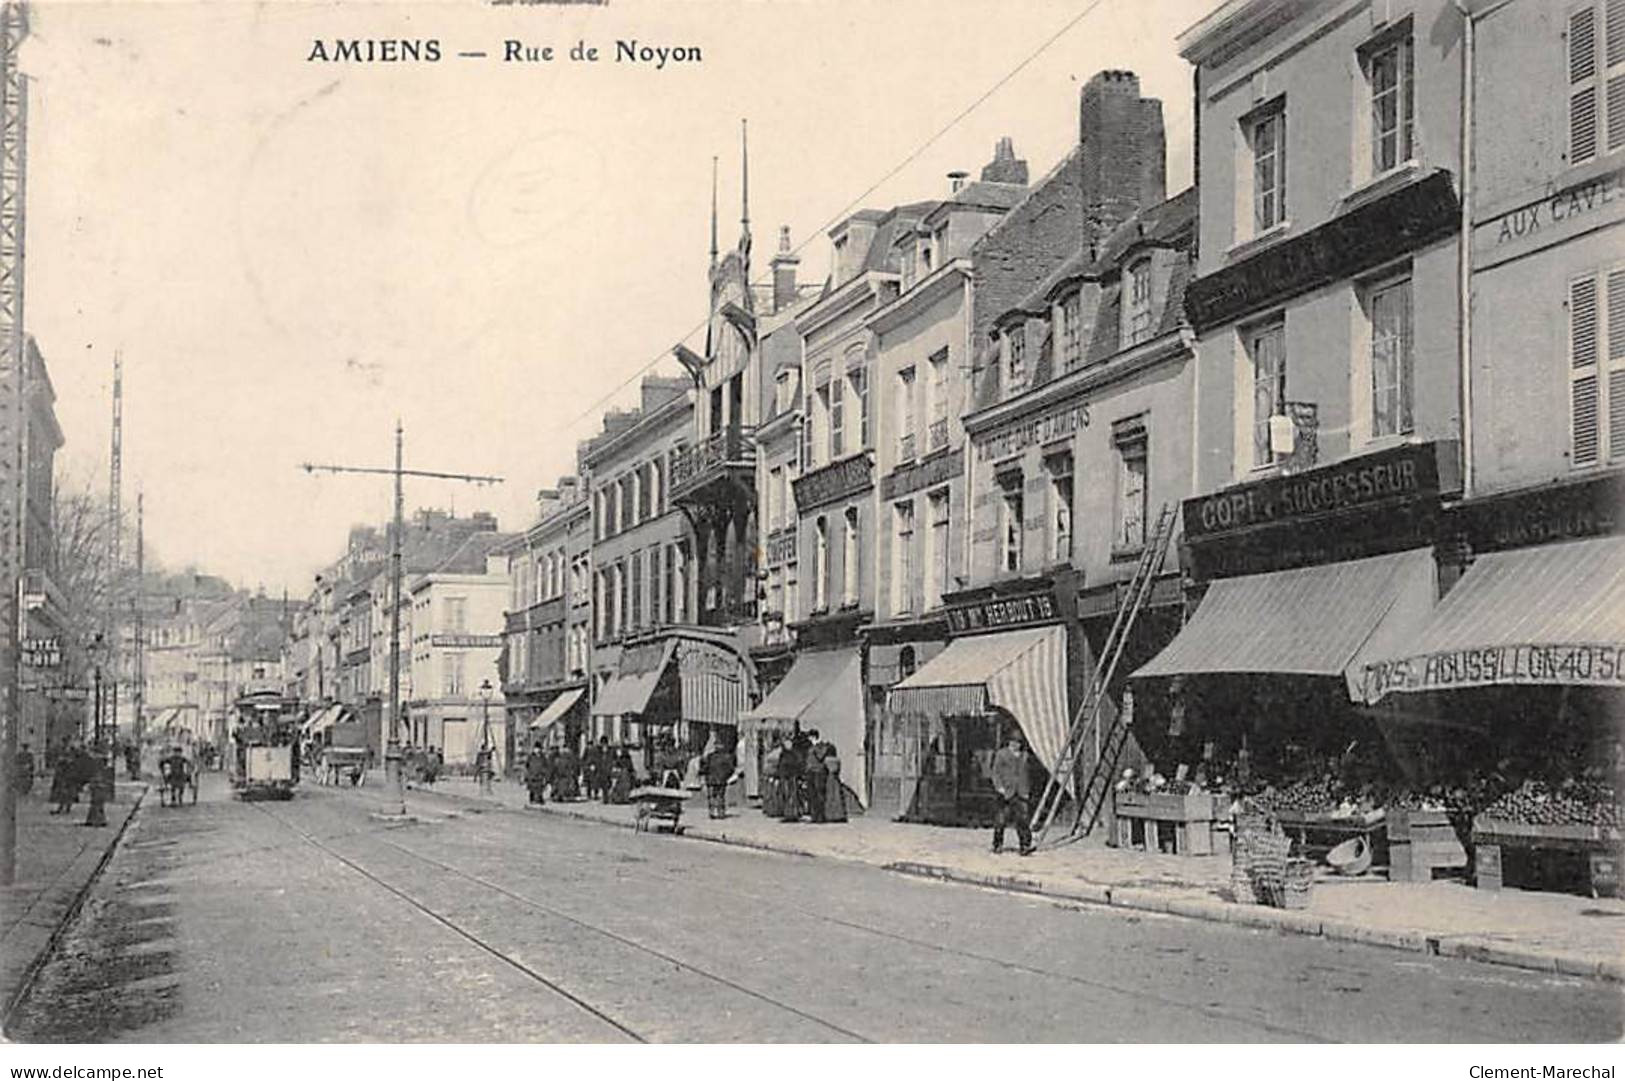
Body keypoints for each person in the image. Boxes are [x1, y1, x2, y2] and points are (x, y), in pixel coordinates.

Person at [991, 733, 1034, 856]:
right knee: (1001, 819)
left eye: (1018, 742)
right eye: (1013, 742)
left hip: (1021, 792)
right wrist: (999, 787)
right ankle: (997, 844)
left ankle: (1025, 845)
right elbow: (995, 772)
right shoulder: (1001, 754)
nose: (1016, 745)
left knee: (1023, 820)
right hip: (1006, 792)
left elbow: (1028, 775)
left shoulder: (1025, 756)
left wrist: (1027, 790)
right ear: (1009, 742)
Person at [700, 738, 737, 820]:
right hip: (721, 780)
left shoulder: (710, 756)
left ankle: (712, 812)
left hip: (711, 779)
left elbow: (704, 767)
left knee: (712, 796)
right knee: (720, 796)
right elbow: (731, 769)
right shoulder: (726, 757)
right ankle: (720, 812)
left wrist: (703, 774)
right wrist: (727, 777)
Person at [817, 736, 847, 824]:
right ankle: (839, 815)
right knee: (837, 797)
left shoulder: (826, 760)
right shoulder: (837, 760)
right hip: (836, 779)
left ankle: (830, 815)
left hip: (829, 779)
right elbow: (838, 769)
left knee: (829, 797)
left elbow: (824, 768)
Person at [778, 733, 804, 823]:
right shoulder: (783, 754)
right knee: (785, 795)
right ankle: (787, 814)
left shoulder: (795, 754)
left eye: (788, 743)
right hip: (785, 777)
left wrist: (798, 775)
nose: (787, 745)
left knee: (792, 796)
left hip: (792, 777)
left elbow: (799, 764)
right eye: (786, 743)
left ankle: (793, 814)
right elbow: (780, 765)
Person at [804, 732, 829, 824]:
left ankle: (820, 816)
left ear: (814, 737)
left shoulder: (821, 746)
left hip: (818, 772)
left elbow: (820, 756)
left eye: (810, 737)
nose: (809, 739)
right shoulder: (811, 747)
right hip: (811, 771)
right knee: (812, 794)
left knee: (819, 794)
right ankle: (814, 816)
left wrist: (815, 747)